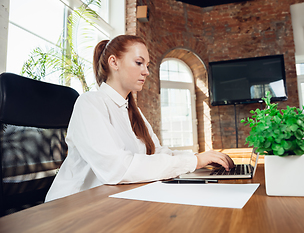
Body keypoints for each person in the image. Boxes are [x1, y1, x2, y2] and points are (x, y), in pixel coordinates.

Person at [45, 35, 234, 202]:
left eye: (148, 65)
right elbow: (118, 169)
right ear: (114, 62)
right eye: (139, 63)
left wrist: (197, 158)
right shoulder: (89, 103)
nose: (146, 72)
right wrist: (194, 162)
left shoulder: (133, 111)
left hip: (113, 201)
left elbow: (157, 153)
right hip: (73, 207)